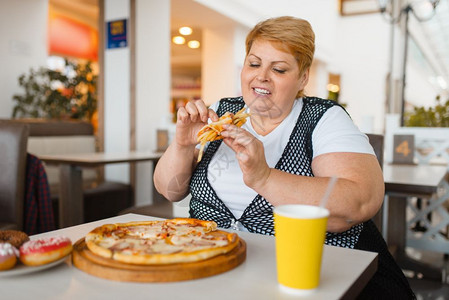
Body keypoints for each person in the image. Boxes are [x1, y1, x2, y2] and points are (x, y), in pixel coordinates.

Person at [154, 16, 415, 298]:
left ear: (302, 77)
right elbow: (170, 191)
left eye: (278, 69)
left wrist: (263, 177)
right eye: (254, 64)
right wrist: (181, 145)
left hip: (305, 280)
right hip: (208, 274)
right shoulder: (221, 110)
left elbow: (359, 202)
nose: (261, 75)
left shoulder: (322, 118)